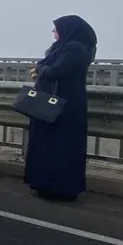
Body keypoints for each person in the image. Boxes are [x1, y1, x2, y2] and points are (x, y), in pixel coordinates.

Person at [24, 15, 98, 202]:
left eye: (57, 29)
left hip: (63, 106)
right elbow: (47, 64)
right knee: (47, 146)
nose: (54, 32)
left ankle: (59, 189)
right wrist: (41, 68)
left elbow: (56, 71)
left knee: (59, 148)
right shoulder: (65, 47)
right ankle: (43, 184)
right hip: (52, 103)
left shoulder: (76, 49)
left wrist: (39, 71)